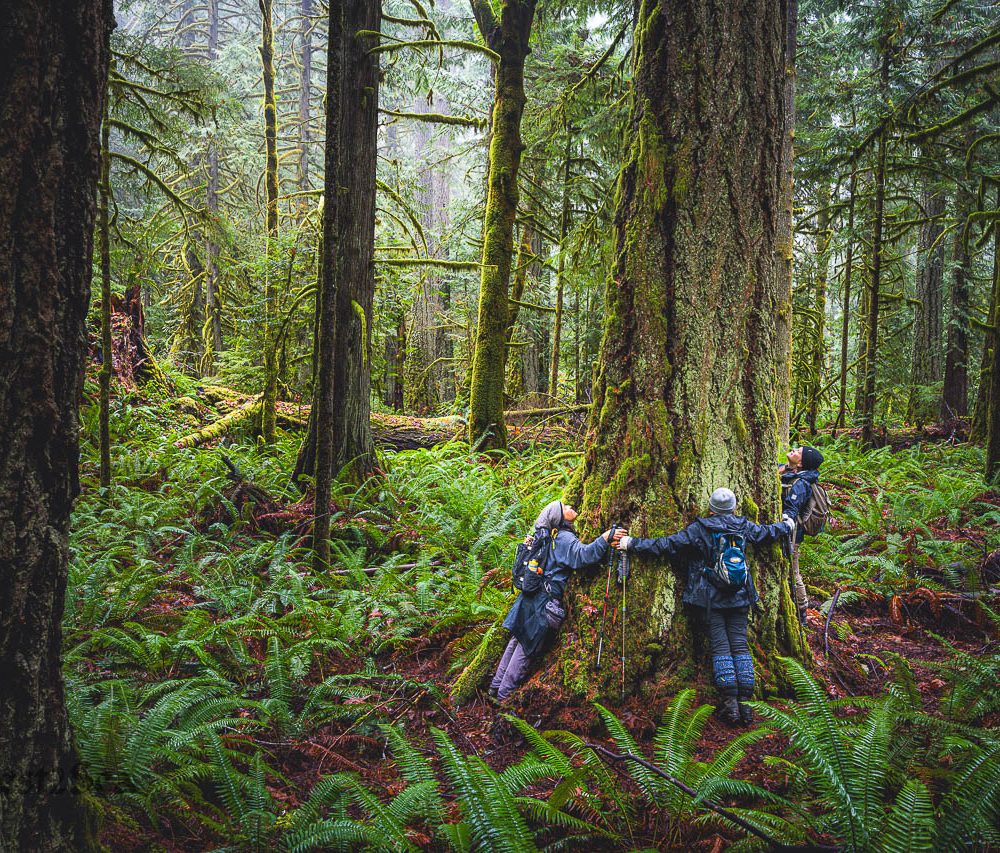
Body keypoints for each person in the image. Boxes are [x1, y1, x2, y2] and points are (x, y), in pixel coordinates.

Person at [616, 488, 793, 726]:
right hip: (740, 596)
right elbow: (768, 533)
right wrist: (788, 525)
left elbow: (667, 545)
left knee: (721, 647)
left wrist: (632, 543)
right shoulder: (743, 526)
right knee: (740, 645)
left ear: (711, 508)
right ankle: (746, 707)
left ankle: (731, 706)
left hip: (711, 599)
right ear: (733, 508)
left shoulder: (700, 529)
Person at [490, 500, 618, 703]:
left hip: (530, 597)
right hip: (543, 603)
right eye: (565, 507)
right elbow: (583, 556)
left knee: (517, 640)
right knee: (526, 648)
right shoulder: (564, 538)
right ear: (559, 517)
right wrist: (604, 539)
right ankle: (503, 697)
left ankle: (495, 687)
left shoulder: (547, 536)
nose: (570, 507)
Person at [779, 445, 824, 625]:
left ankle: (801, 612)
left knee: (793, 572)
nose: (794, 450)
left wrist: (782, 525)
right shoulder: (792, 473)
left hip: (792, 536)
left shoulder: (802, 484)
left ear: (802, 463)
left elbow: (792, 509)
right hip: (787, 533)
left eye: (798, 452)